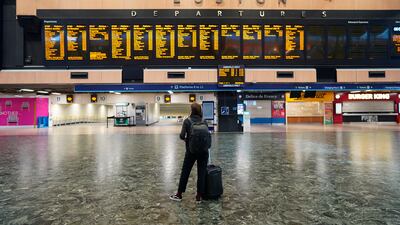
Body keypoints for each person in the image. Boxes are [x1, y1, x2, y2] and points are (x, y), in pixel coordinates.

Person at [170, 103, 210, 203]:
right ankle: (199, 196)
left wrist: (187, 139)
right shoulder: (204, 121)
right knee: (201, 173)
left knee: (185, 172)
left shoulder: (187, 121)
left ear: (191, 110)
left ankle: (179, 194)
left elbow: (182, 136)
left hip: (191, 151)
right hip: (204, 151)